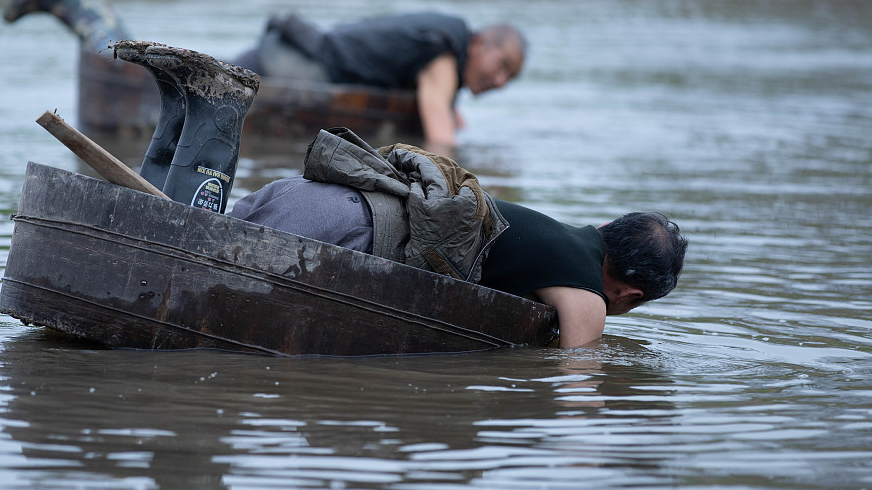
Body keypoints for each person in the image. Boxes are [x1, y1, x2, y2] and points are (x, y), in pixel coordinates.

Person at [4, 0, 526, 156]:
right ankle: (76, 1)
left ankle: (77, 1)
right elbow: (440, 136)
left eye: (511, 79)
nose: (501, 81)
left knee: (171, 78)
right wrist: (466, 170)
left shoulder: (445, 45)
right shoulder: (444, 53)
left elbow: (442, 106)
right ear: (479, 43)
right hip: (297, 66)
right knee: (164, 80)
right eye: (501, 65)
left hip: (294, 55)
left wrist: (450, 110)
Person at [228, 129, 688, 348]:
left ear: (605, 227)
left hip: (299, 193)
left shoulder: (561, 237)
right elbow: (576, 386)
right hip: (353, 232)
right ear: (630, 294)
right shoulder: (588, 296)